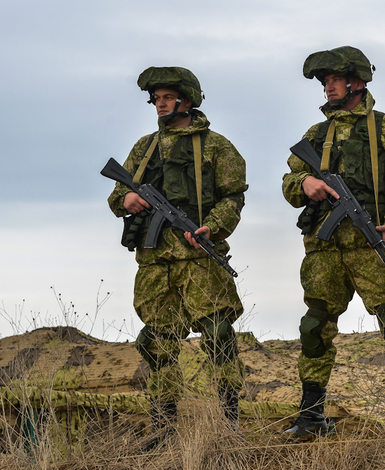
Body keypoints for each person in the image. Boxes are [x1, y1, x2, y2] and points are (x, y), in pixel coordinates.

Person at [282, 46, 385, 438]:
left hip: (372, 246)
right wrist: (304, 183)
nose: (328, 87)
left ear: (357, 82)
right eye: (325, 81)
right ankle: (310, 415)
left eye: (335, 80)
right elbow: (289, 180)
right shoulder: (315, 135)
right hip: (325, 251)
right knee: (314, 328)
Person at [107, 66, 249, 448]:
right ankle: (164, 426)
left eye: (167, 97)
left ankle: (230, 421)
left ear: (187, 100)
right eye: (155, 98)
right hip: (155, 262)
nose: (159, 104)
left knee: (219, 335)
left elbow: (234, 197)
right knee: (157, 340)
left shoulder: (216, 146)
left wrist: (212, 228)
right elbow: (115, 196)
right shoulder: (144, 148)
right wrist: (126, 199)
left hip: (199, 258)